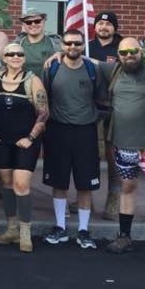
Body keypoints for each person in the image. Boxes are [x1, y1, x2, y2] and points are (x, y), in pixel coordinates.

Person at [103, 37, 145, 259]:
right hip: (123, 143)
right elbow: (86, 61)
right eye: (123, 53)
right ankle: (124, 236)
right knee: (127, 187)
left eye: (133, 51)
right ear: (118, 55)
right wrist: (58, 54)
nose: (128, 55)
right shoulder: (114, 70)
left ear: (141, 51)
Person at [41, 29, 106, 249]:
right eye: (68, 43)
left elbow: (100, 97)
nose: (72, 47)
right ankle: (60, 226)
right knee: (58, 181)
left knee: (84, 183)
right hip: (58, 129)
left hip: (85, 131)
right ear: (62, 45)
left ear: (82, 46)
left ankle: (83, 230)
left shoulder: (91, 69)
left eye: (77, 44)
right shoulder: (53, 67)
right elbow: (44, 96)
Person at [0, 42, 48, 253]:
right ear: (4, 57)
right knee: (6, 182)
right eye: (10, 54)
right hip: (2, 140)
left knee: (21, 184)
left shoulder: (33, 81)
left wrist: (31, 137)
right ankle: (11, 227)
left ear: (24, 57)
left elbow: (43, 113)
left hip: (25, 141)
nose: (15, 56)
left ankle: (24, 232)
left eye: (19, 54)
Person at [87, 11, 123, 221]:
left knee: (113, 155)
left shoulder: (122, 48)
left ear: (114, 28)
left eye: (108, 24)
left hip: (115, 107)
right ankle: (86, 194)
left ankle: (114, 196)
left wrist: (97, 63)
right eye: (100, 23)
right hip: (92, 105)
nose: (104, 27)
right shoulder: (88, 46)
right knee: (90, 153)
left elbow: (122, 69)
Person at [16, 7, 61, 75]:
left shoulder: (55, 42)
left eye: (37, 21)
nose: (33, 24)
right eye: (28, 22)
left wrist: (61, 54)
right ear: (23, 25)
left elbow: (71, 56)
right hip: (24, 84)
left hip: (49, 84)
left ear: (44, 21)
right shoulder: (17, 44)